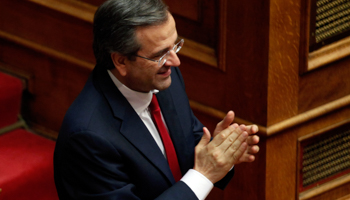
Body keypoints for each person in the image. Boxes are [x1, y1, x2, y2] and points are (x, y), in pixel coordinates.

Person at [53, 0, 260, 199]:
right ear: (121, 61)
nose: (175, 61)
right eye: (160, 55)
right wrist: (204, 174)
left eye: (175, 46)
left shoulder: (163, 78)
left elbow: (188, 145)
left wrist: (222, 152)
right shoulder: (88, 138)